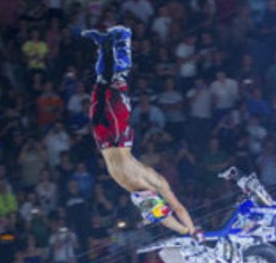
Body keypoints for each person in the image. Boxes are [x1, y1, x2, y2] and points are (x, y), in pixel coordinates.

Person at [82, 25, 200, 237]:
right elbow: (178, 209)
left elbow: (163, 219)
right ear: (156, 197)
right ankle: (123, 40)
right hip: (119, 140)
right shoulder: (157, 182)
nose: (148, 207)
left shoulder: (138, 193)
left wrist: (182, 230)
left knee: (100, 88)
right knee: (116, 83)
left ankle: (103, 46)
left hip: (104, 142)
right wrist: (190, 231)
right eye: (152, 206)